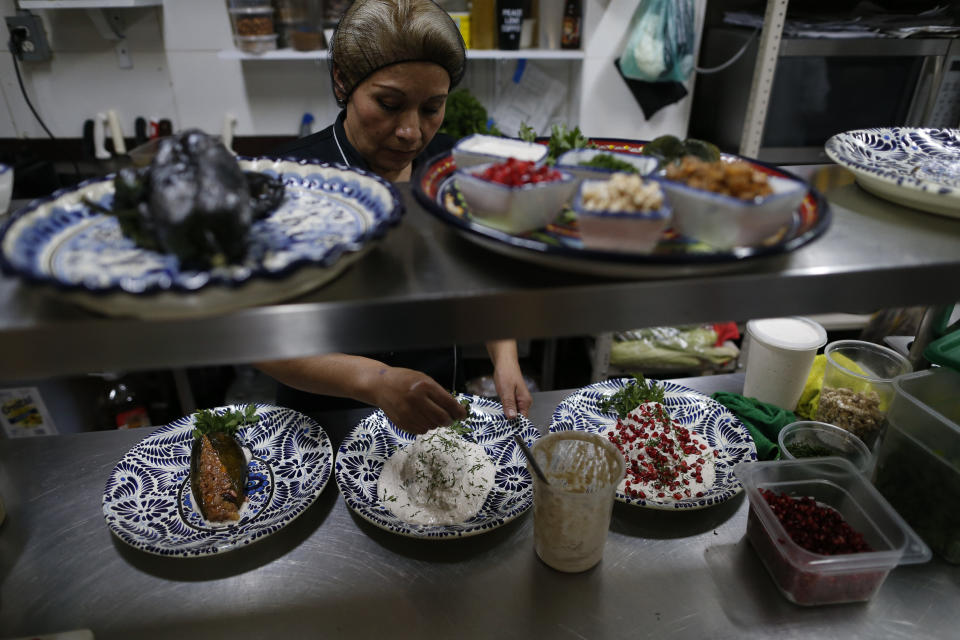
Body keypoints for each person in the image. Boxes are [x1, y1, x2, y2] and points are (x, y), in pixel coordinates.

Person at [257, 0, 532, 434]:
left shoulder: (454, 170)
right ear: (342, 82)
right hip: (324, 424)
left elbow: (483, 274)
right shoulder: (285, 181)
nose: (411, 132)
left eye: (431, 108)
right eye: (388, 104)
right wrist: (377, 381)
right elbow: (261, 339)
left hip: (435, 412)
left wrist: (506, 357)